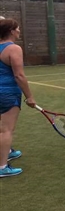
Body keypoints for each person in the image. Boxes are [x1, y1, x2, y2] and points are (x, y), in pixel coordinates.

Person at [0, 18, 36, 177]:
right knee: (6, 130)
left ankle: (7, 150)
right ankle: (2, 167)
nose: (19, 30)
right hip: (8, 93)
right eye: (18, 28)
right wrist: (30, 96)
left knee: (2, 128)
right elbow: (19, 75)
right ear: (11, 31)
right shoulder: (14, 49)